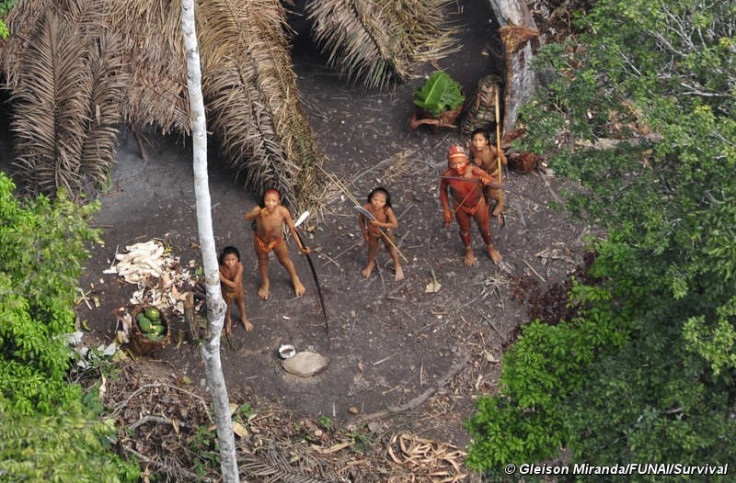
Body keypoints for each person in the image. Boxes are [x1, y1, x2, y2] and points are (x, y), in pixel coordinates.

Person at [440, 145, 503, 266]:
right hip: (460, 206)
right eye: (454, 164)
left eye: (460, 163)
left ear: (466, 161)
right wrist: (446, 209)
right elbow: (442, 189)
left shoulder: (475, 171)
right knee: (464, 230)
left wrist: (488, 182)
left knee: (485, 229)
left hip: (478, 204)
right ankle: (468, 250)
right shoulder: (448, 175)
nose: (457, 167)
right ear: (449, 163)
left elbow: (496, 184)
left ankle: (490, 247)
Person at [244, 189, 310, 300]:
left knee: (285, 260)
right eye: (267, 200)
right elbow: (247, 217)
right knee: (263, 262)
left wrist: (300, 246)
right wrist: (258, 213)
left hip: (277, 241)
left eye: (273, 201)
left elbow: (292, 229)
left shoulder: (282, 212)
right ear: (264, 201)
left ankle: (295, 278)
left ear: (278, 202)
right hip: (261, 241)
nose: (270, 204)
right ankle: (265, 283)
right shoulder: (259, 210)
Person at [358, 187, 404, 281]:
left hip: (385, 232)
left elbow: (394, 224)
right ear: (370, 198)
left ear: (385, 202)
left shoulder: (387, 210)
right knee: (372, 249)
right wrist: (364, 232)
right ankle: (371, 264)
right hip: (372, 233)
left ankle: (397, 265)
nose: (377, 203)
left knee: (391, 247)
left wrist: (379, 224)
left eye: (381, 201)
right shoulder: (367, 207)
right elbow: (361, 219)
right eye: (375, 200)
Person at [469, 128, 507, 226]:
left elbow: (505, 163)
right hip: (482, 174)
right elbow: (470, 159)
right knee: (483, 190)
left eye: (480, 140)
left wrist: (501, 156)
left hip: (494, 175)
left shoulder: (492, 150)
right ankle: (487, 203)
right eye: (475, 140)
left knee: (493, 192)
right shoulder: (472, 148)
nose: (477, 143)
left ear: (486, 141)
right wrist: (475, 162)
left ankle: (500, 202)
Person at [218, 246, 253, 335]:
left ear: (238, 260)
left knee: (240, 304)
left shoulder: (239, 267)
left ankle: (244, 319)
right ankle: (227, 321)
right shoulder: (221, 268)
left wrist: (222, 278)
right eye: (227, 260)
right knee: (227, 307)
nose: (230, 263)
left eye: (233, 259)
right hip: (226, 292)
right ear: (223, 260)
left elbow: (234, 284)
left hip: (238, 291)